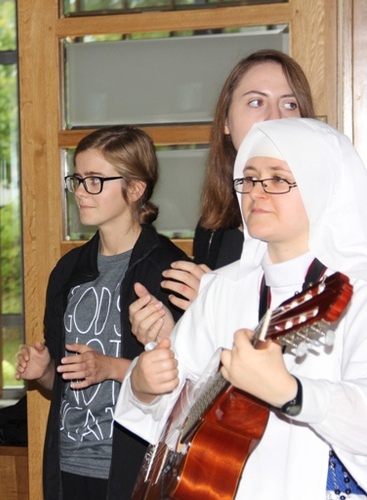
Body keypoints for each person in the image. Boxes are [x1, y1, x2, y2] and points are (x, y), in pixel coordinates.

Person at [115, 118, 367, 498]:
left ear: (323, 186)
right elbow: (176, 409)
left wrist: (292, 392)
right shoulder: (222, 286)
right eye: (248, 179)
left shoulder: (358, 290)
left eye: (278, 179)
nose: (256, 193)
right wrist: (144, 385)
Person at [15, 126, 189, 499]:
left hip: (137, 465)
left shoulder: (172, 271)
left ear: (136, 188)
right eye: (77, 179)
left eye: (95, 180)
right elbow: (64, 383)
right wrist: (44, 369)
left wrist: (111, 367)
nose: (80, 191)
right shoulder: (67, 271)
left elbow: (189, 387)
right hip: (68, 463)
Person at [129, 49, 316, 344]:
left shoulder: (327, 216)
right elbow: (214, 359)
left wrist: (216, 305)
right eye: (256, 102)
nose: (275, 117)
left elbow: (316, 346)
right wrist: (172, 332)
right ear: (226, 122)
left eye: (290, 104)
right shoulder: (213, 229)